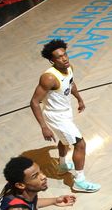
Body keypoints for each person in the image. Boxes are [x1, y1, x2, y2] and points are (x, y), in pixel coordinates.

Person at [30, 39, 100, 192]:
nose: (65, 58)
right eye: (59, 57)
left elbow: (71, 84)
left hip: (65, 111)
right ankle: (79, 181)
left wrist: (79, 99)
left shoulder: (69, 68)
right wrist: (44, 127)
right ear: (52, 60)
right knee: (80, 144)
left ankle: (62, 165)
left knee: (64, 139)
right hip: (55, 116)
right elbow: (34, 102)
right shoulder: (49, 78)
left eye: (65, 54)